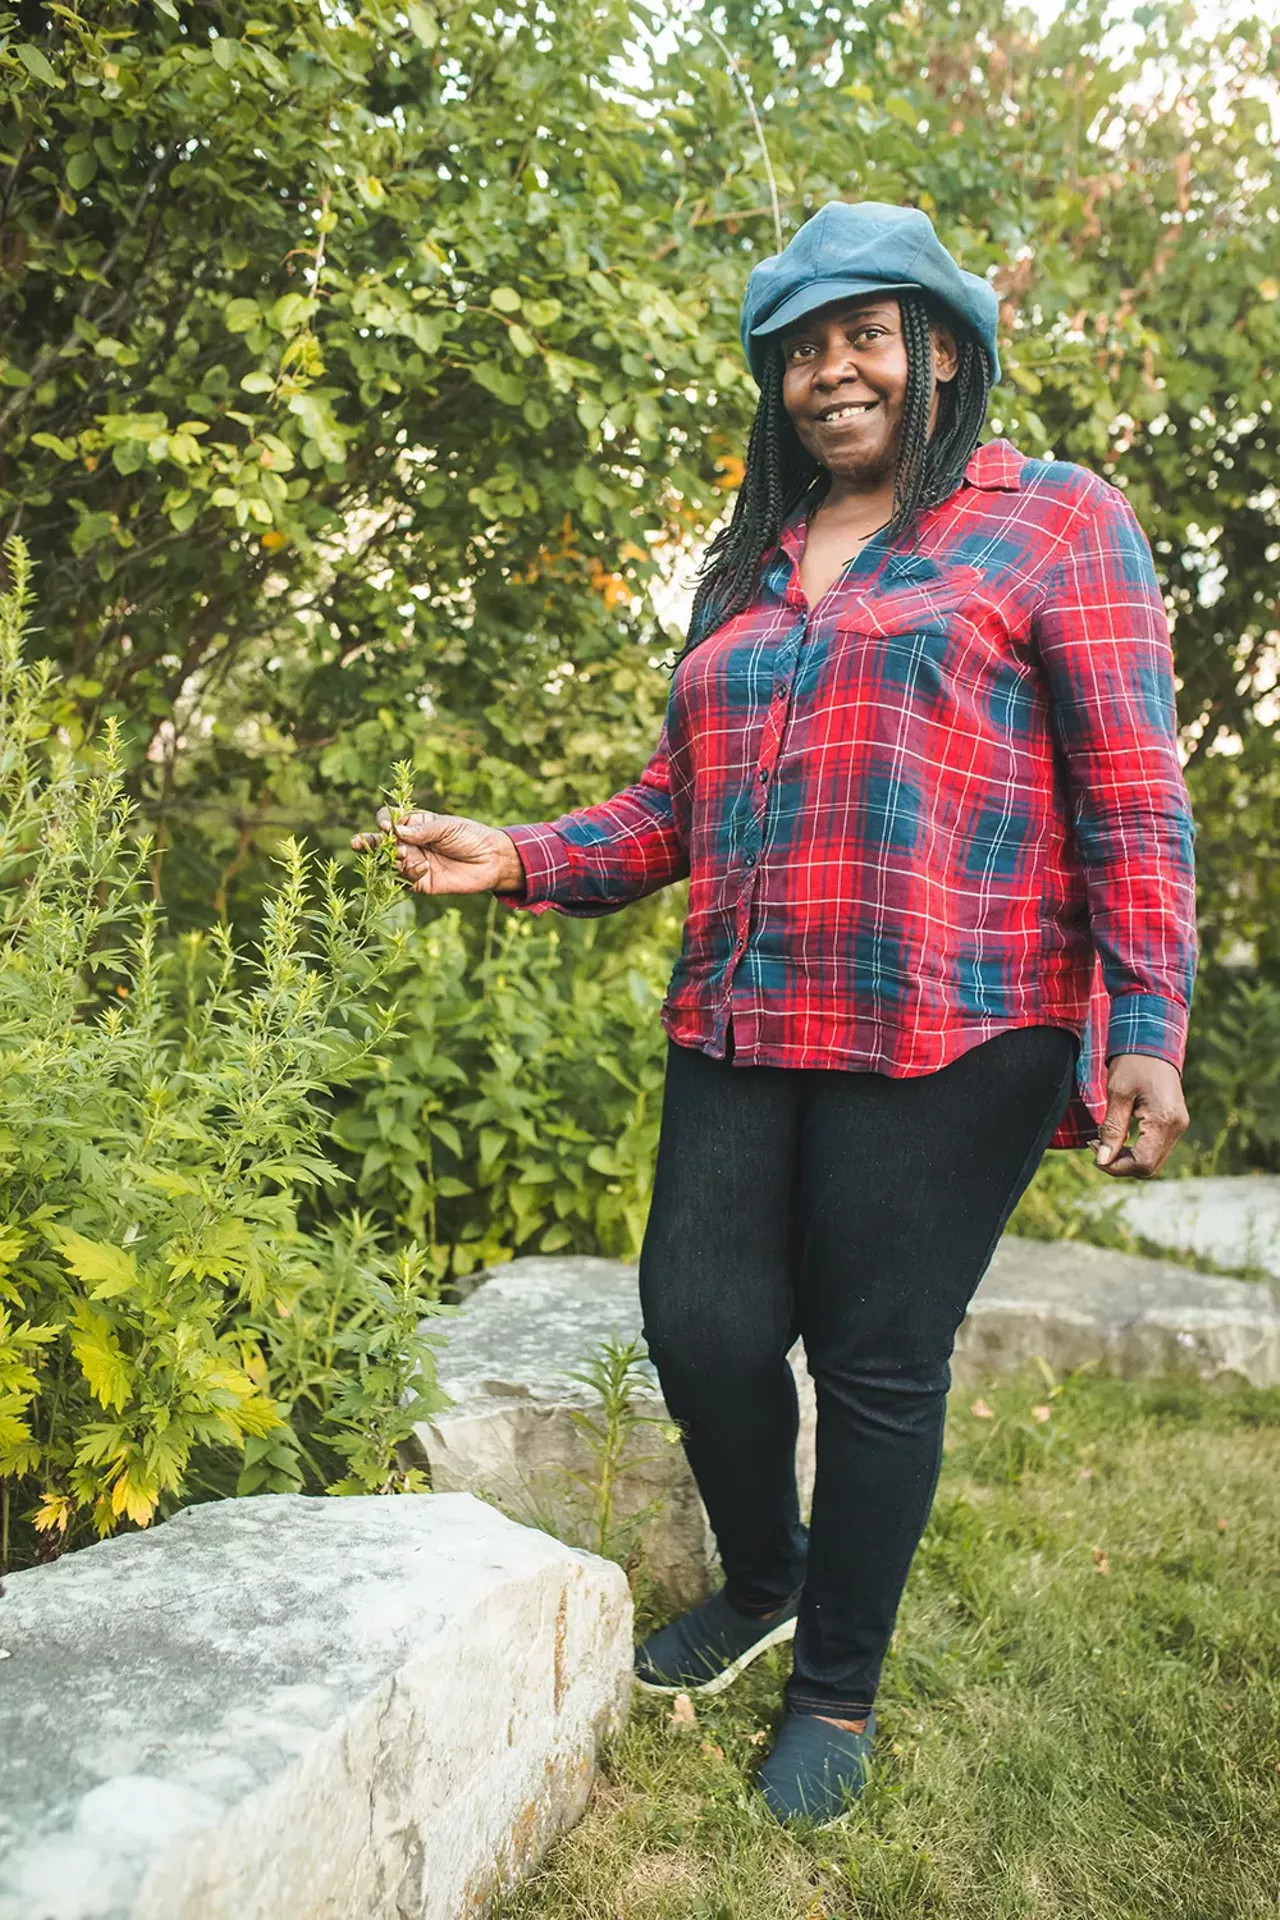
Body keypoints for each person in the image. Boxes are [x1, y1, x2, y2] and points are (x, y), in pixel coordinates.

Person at [352, 201, 1196, 1825]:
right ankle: (766, 1577)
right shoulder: (744, 559)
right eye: (799, 348)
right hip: (746, 1010)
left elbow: (1135, 795)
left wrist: (1144, 1017)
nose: (832, 370)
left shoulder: (1058, 523)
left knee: (880, 1364)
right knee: (704, 1324)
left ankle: (838, 1691)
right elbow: (676, 805)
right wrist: (521, 853)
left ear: (941, 350)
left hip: (965, 1024)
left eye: (864, 334)